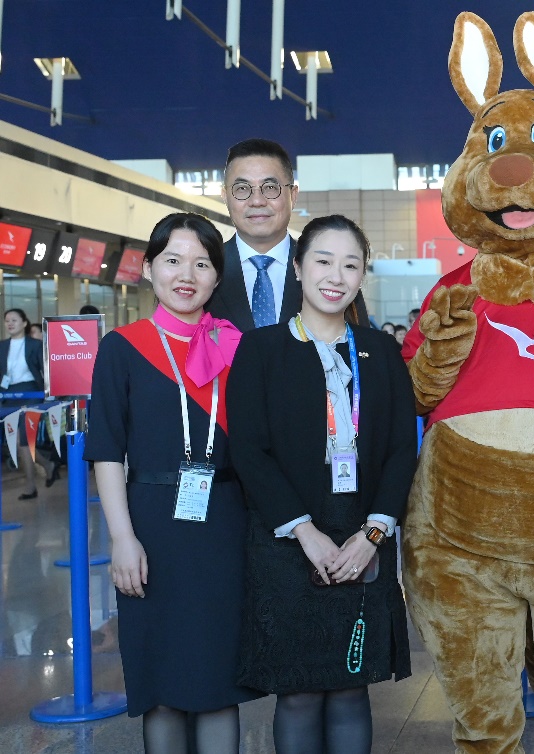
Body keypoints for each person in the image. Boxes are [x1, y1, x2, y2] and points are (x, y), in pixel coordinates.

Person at [227, 214, 416, 754]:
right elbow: (250, 451)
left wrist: (373, 534)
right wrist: (305, 533)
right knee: (300, 693)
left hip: (363, 539)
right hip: (287, 540)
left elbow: (401, 448)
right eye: (323, 261)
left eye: (350, 265)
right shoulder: (261, 350)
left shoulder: (380, 352)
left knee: (353, 690)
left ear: (362, 276)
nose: (336, 276)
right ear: (297, 267)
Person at [85, 212, 258, 752]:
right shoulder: (123, 346)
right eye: (173, 260)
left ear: (217, 276)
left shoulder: (238, 347)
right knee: (160, 686)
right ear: (149, 268)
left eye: (202, 264)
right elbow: (106, 450)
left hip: (225, 528)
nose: (187, 275)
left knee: (218, 684)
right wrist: (121, 538)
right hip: (150, 528)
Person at [206, 138, 369, 332]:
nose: (257, 201)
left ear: (293, 195)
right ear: (225, 196)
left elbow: (360, 343)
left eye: (270, 188)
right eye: (242, 189)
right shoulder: (205, 269)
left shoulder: (329, 271)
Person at [0, 307, 58, 499]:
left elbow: (46, 370)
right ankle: (48, 465)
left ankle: (31, 486)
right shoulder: (2, 346)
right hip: (9, 394)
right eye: (7, 320)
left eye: (14, 320)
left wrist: (49, 394)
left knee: (23, 440)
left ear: (24, 323)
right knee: (17, 443)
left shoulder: (35, 344)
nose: (10, 323)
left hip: (31, 392)